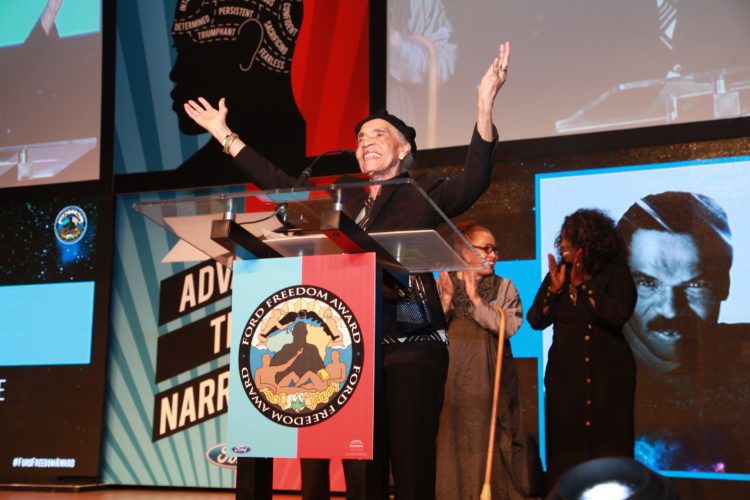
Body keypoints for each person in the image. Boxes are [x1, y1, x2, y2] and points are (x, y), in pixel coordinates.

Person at [184, 41, 510, 500]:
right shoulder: (344, 194)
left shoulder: (423, 190)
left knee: (411, 467)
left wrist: (483, 105)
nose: (365, 142)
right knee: (362, 470)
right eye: (360, 139)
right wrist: (225, 135)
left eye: (378, 135)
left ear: (404, 148)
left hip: (411, 343)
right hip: (353, 347)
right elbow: (283, 187)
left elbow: (474, 181)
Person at [616, 191, 750, 472]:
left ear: (725, 285)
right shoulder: (587, 381)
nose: (671, 310)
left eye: (695, 285)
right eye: (648, 283)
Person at [527, 209, 637, 491]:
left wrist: (585, 287)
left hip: (608, 381)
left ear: (587, 241)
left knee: (608, 456)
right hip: (566, 382)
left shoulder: (615, 272)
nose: (562, 244)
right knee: (567, 456)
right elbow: (535, 320)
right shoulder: (559, 274)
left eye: (569, 238)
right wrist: (553, 291)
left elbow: (617, 314)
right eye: (562, 238)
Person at [436, 221, 537, 500]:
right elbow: (422, 332)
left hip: (489, 381)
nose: (493, 255)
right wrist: (445, 303)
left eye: (495, 249)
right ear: (463, 250)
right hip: (450, 383)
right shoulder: (443, 283)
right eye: (486, 249)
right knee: (450, 439)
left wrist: (477, 302)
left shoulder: (504, 286)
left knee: (490, 440)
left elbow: (511, 325)